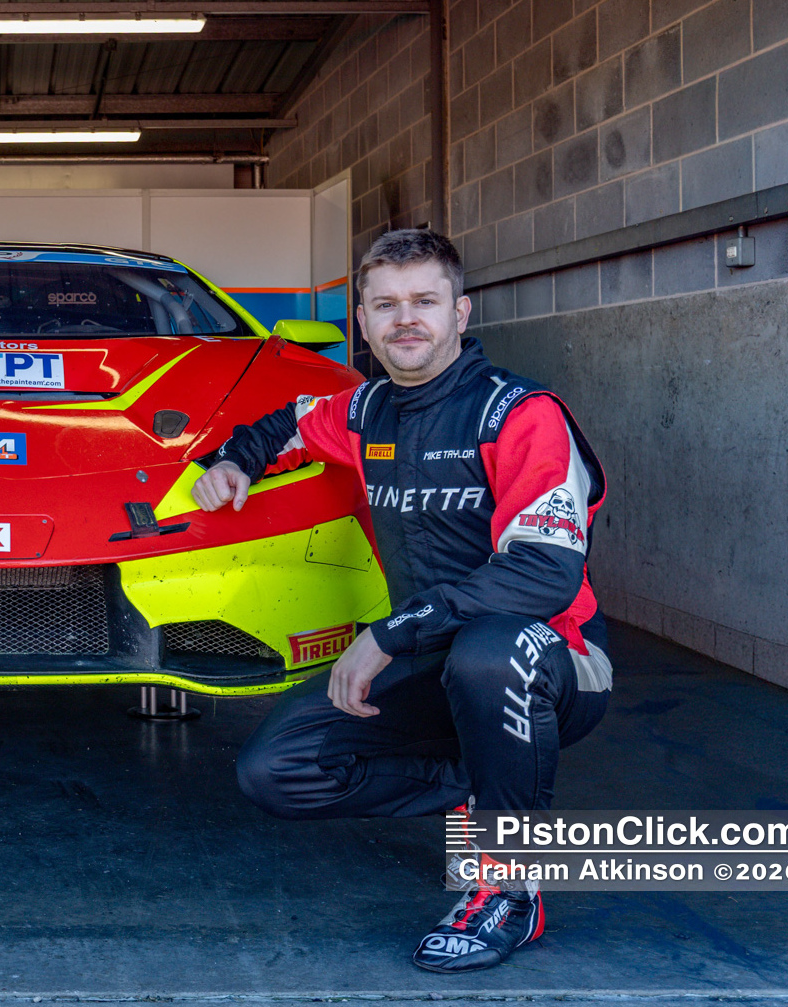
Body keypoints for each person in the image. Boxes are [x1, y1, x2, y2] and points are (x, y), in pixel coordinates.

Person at [191, 229, 611, 973]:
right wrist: (230, 461)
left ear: (460, 312)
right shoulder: (365, 411)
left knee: (489, 651)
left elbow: (543, 573)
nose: (405, 319)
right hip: (431, 662)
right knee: (275, 769)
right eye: (385, 304)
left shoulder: (517, 412)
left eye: (425, 300)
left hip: (554, 661)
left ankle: (508, 886)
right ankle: (472, 785)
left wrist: (389, 632)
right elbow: (284, 421)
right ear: (361, 320)